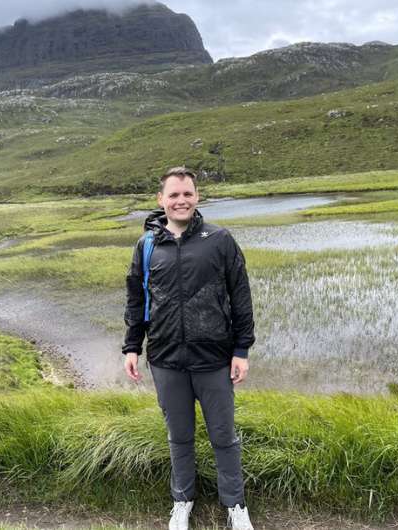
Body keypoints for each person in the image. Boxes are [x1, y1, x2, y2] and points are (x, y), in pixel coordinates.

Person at [122, 166, 255, 530]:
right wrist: (132, 347)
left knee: (224, 437)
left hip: (213, 358)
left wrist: (241, 349)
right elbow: (137, 299)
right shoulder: (147, 245)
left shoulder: (220, 240)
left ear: (197, 197)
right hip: (165, 360)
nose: (181, 201)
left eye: (187, 194)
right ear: (161, 200)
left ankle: (236, 505)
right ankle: (182, 500)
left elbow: (240, 296)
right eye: (174, 195)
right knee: (179, 436)